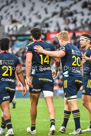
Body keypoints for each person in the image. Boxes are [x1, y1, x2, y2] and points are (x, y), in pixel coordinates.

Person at [34, 31, 83, 135]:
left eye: (59, 41)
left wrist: (43, 51)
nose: (59, 43)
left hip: (69, 77)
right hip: (78, 76)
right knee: (67, 101)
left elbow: (58, 55)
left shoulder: (65, 47)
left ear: (61, 40)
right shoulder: (77, 49)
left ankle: (78, 129)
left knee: (73, 103)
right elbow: (80, 64)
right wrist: (56, 69)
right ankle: (63, 126)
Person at [25, 27, 59, 135]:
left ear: (31, 36)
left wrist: (27, 76)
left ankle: (33, 129)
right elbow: (57, 59)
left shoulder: (30, 46)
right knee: (49, 101)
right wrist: (56, 69)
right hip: (48, 75)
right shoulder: (49, 46)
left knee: (33, 103)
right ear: (41, 35)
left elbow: (29, 61)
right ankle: (52, 125)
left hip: (36, 77)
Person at [0, 38, 27, 136]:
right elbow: (19, 72)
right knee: (5, 107)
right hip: (11, 86)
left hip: (2, 85)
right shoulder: (15, 59)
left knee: (5, 108)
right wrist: (24, 85)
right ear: (8, 46)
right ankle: (2, 128)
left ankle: (10, 130)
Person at [80, 34, 91, 132]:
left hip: (90, 78)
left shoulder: (90, 50)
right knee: (87, 102)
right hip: (87, 78)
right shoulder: (86, 51)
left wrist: (88, 59)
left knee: (85, 102)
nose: (80, 41)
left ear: (88, 41)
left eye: (82, 40)